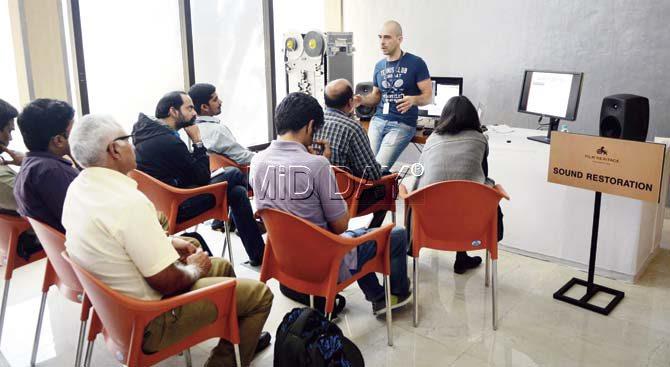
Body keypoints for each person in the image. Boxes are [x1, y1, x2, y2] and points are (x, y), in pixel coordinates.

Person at [63, 114, 273, 367]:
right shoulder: (126, 203)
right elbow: (168, 282)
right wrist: (194, 268)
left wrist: (169, 244)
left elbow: (118, 240)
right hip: (150, 320)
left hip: (117, 312)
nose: (133, 145)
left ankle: (236, 339)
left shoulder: (77, 190)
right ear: (114, 150)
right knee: (260, 295)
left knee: (223, 267)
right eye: (127, 139)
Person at [250, 92, 411, 314]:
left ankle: (374, 294)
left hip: (283, 259)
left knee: (358, 237)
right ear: (310, 126)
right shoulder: (317, 166)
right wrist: (324, 165)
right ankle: (395, 296)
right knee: (396, 234)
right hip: (324, 264)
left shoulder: (257, 161)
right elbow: (340, 226)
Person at [132, 91, 265, 265]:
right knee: (233, 174)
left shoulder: (145, 133)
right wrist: (197, 141)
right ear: (173, 111)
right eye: (189, 108)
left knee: (237, 192)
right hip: (178, 206)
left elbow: (187, 171)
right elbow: (201, 177)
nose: (194, 113)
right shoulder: (169, 142)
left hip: (161, 202)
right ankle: (262, 221)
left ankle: (259, 255)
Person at [412, 96, 505, 274]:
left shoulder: (432, 138)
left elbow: (420, 170)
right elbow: (482, 174)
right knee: (468, 193)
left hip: (428, 217)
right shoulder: (480, 139)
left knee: (447, 192)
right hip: (468, 218)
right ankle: (463, 256)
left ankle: (412, 245)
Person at [357, 20, 432, 170]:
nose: (382, 42)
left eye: (387, 37)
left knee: (377, 169)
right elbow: (376, 96)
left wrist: (414, 100)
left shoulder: (416, 63)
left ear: (400, 39)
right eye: (380, 37)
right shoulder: (379, 66)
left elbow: (429, 96)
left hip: (402, 124)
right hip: (378, 121)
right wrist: (361, 100)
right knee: (365, 166)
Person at [314, 79, 388, 228]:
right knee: (388, 188)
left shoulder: (313, 123)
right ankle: (371, 237)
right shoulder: (353, 128)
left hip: (317, 194)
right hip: (348, 197)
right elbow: (371, 174)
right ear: (350, 102)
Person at [14, 99, 79, 233]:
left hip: (57, 247)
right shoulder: (54, 172)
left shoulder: (31, 165)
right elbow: (85, 220)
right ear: (59, 141)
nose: (80, 134)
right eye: (75, 130)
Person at [0, 98, 41, 260]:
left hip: (15, 236)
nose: (10, 139)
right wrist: (28, 162)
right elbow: (38, 198)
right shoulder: (2, 180)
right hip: (28, 239)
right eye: (8, 131)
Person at [188, 83, 255, 165]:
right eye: (215, 100)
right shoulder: (217, 130)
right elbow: (243, 157)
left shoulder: (190, 128)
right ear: (204, 107)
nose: (220, 102)